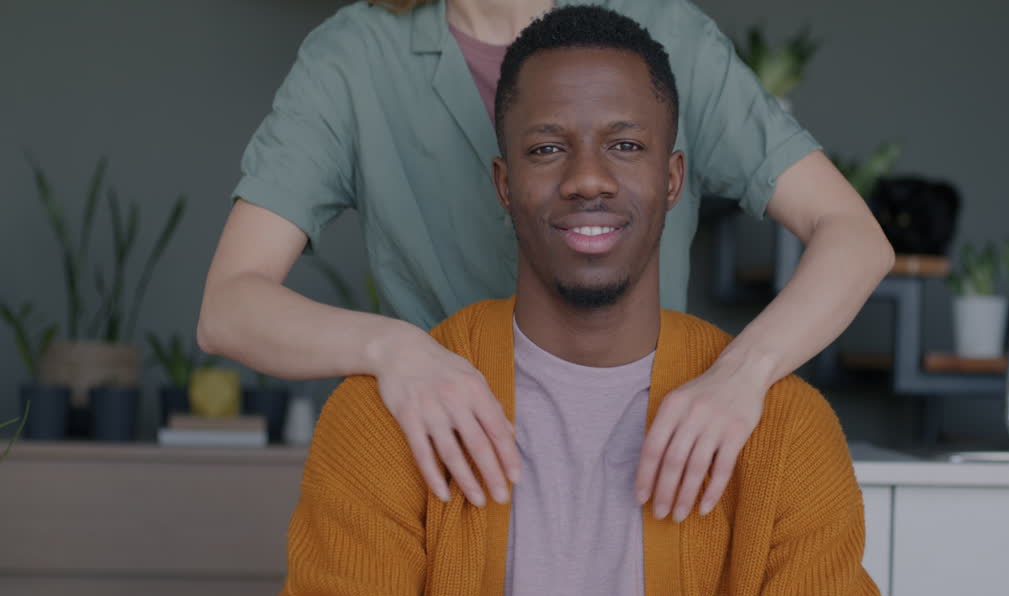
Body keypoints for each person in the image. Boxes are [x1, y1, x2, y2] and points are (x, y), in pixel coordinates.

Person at [269, 8, 908, 596]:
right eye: (546, 150)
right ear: (504, 183)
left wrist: (744, 375)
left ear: (673, 179)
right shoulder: (377, 425)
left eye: (626, 144)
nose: (588, 179)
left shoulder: (782, 430)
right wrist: (393, 349)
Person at [197, 0, 895, 521]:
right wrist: (395, 350)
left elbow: (852, 235)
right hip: (452, 477)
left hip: (652, 465)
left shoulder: (667, 34)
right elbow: (231, 305)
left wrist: (742, 377)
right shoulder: (353, 58)